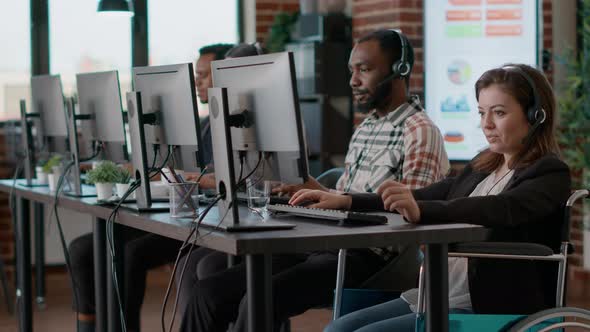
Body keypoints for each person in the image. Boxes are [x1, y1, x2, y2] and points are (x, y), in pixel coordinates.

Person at [179, 29, 449, 332]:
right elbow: (347, 193)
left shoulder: (419, 131)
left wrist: (343, 204)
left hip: (368, 256)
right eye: (351, 70)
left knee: (259, 299)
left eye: (365, 69)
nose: (353, 80)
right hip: (326, 242)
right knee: (209, 293)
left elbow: (414, 215)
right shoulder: (367, 126)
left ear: (400, 69)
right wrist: (316, 190)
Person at [289, 64, 571, 332]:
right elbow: (423, 195)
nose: (486, 124)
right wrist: (345, 200)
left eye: (498, 113)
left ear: (536, 115)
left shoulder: (549, 172)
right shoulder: (483, 166)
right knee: (340, 327)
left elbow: (501, 208)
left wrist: (421, 210)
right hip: (438, 293)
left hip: (487, 302)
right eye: (481, 112)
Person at [68, 44, 234, 332]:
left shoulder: (230, 128)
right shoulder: (203, 124)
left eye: (204, 76)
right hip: (181, 213)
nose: (198, 83)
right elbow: (179, 169)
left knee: (130, 252)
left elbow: (215, 177)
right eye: (196, 77)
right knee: (85, 247)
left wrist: (179, 175)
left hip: (206, 221)